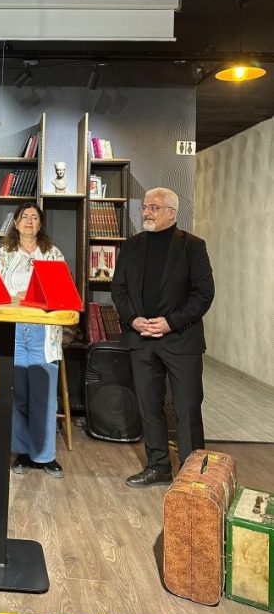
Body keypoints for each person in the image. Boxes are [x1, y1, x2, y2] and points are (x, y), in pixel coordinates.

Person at [111, 187, 215, 488]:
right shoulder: (131, 246)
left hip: (181, 340)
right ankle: (158, 467)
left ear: (172, 212)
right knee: (149, 407)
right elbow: (119, 288)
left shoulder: (193, 246)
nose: (146, 212)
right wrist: (133, 319)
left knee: (187, 408)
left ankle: (192, 477)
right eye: (145, 207)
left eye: (153, 208)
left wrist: (170, 323)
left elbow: (203, 294)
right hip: (141, 338)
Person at [0, 201, 65, 478]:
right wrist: (18, 297)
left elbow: (61, 292)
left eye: (35, 217)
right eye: (25, 216)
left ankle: (45, 456)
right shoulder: (4, 254)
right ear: (16, 222)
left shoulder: (52, 254)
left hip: (42, 332)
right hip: (12, 329)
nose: (29, 221)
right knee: (17, 394)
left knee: (44, 397)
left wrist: (32, 296)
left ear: (40, 224)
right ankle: (22, 452)